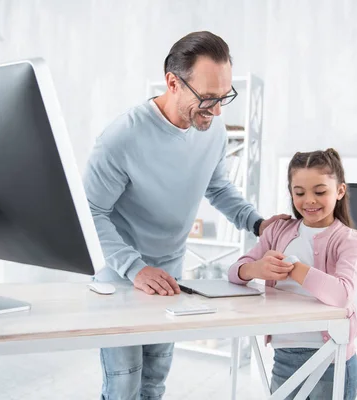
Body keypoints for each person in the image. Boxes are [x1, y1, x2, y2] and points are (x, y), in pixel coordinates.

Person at [84, 31, 289, 400]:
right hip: (120, 277)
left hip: (170, 276)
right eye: (209, 99)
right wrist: (135, 268)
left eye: (224, 97)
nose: (218, 110)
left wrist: (257, 223)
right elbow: (91, 212)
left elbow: (218, 187)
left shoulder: (213, 131)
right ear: (173, 83)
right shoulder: (121, 137)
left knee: (154, 383)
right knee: (124, 385)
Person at [228, 148, 357, 400]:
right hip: (284, 356)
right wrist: (256, 269)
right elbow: (234, 272)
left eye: (320, 192)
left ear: (340, 191)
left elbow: (343, 294)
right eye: (299, 193)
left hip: (332, 358)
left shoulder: (348, 240)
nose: (309, 201)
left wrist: (295, 268)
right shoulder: (278, 231)